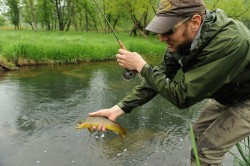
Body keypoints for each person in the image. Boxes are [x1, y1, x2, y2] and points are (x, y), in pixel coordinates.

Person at [89, 0, 250, 165]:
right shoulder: (183, 40)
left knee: (205, 153)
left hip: (247, 100)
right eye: (160, 30)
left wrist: (141, 66)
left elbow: (183, 96)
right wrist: (118, 108)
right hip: (226, 94)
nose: (161, 38)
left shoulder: (231, 42)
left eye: (168, 30)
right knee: (197, 137)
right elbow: (158, 76)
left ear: (194, 22)